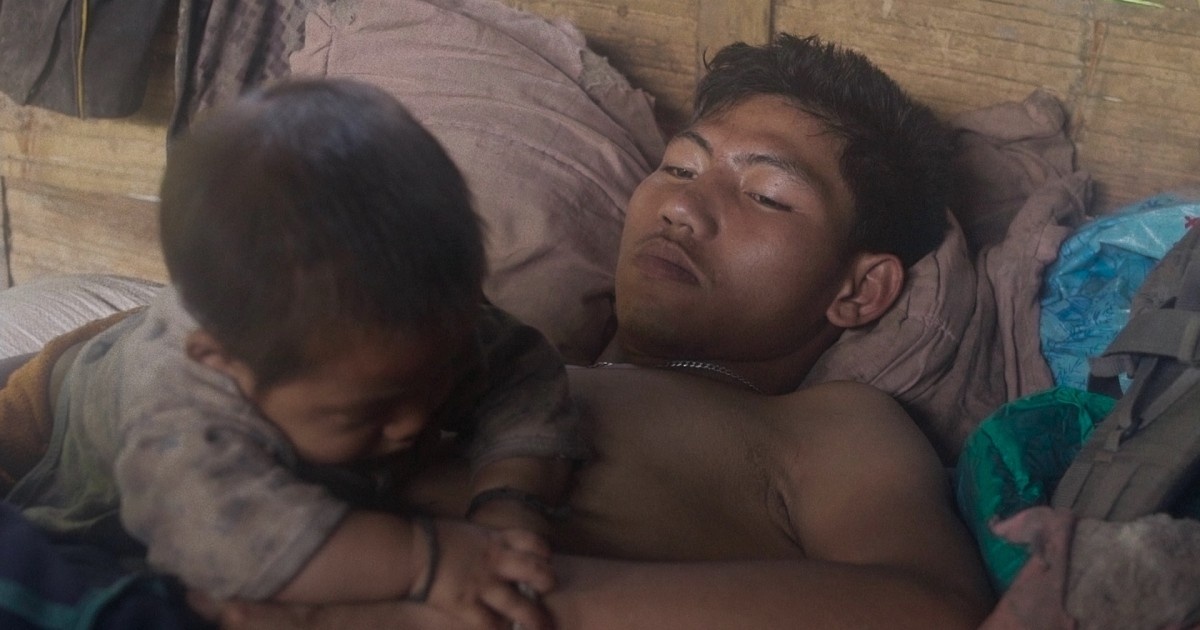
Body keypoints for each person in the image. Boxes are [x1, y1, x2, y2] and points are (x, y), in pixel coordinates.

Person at [203, 33, 994, 630]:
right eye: (679, 168)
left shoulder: (822, 426)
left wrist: (502, 590)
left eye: (766, 195)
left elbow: (928, 607)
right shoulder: (504, 349)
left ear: (860, 290)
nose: (681, 206)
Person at [1, 78, 591, 630]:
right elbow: (226, 542)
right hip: (63, 415)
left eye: (440, 378)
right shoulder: (176, 413)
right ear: (226, 364)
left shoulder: (412, 318)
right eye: (365, 412)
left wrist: (510, 499)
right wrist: (426, 560)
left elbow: (524, 373)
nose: (414, 424)